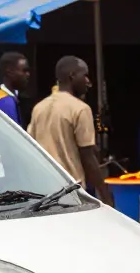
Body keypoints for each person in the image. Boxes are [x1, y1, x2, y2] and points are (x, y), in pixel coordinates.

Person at [28, 56, 111, 205]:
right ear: (72, 76)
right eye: (85, 75)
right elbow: (88, 157)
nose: (88, 82)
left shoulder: (38, 108)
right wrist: (106, 196)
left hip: (42, 191)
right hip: (69, 192)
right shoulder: (80, 109)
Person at [0, 52, 29, 125]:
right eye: (24, 71)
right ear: (10, 72)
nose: (28, 74)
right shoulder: (6, 103)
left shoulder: (11, 98)